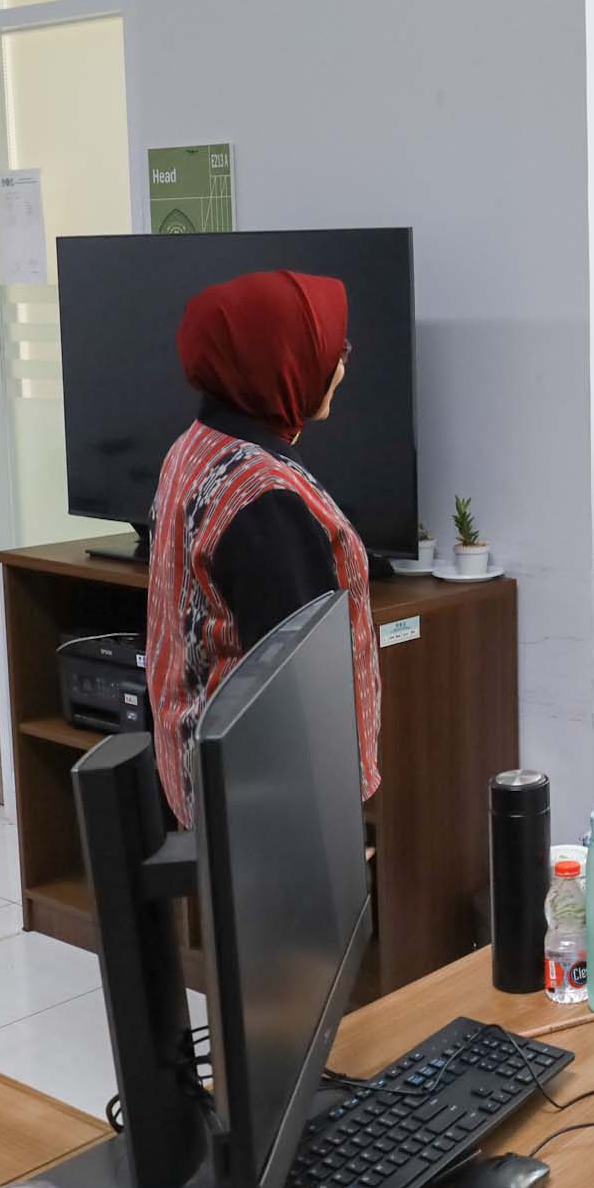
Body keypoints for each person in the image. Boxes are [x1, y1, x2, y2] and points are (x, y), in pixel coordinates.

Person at [146, 269, 382, 827]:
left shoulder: (194, 447)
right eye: (329, 352)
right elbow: (296, 692)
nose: (341, 368)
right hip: (269, 812)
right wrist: (330, 832)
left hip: (202, 775)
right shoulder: (264, 498)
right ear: (282, 362)